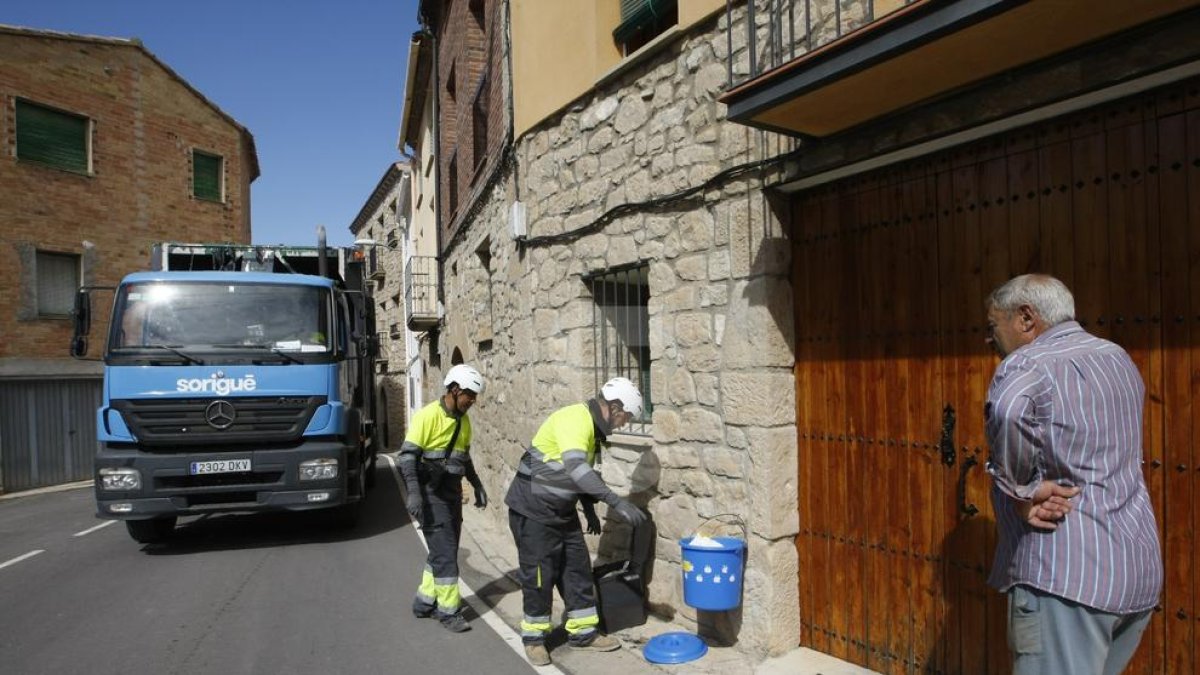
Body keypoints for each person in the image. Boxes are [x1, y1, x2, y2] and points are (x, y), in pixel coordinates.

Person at [983, 274, 1162, 674]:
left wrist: (1019, 490)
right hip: (1135, 570)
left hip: (1065, 578)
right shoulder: (1116, 357)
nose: (989, 339)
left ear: (1026, 318)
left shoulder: (1026, 363)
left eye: (994, 326)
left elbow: (1009, 411)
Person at [505, 376, 648, 666]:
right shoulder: (575, 418)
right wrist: (615, 502)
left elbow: (577, 478)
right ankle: (534, 639)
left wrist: (590, 510)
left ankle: (583, 633)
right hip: (533, 510)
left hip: (561, 512)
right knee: (539, 576)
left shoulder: (593, 432)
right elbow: (575, 468)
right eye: (626, 417)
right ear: (616, 407)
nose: (624, 424)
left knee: (577, 569)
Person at [396, 364, 489, 633]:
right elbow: (407, 457)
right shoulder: (428, 416)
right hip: (430, 495)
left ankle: (424, 602)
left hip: (452, 495)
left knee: (441, 550)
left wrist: (477, 483)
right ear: (455, 389)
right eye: (470, 395)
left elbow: (464, 457)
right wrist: (414, 493)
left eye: (474, 396)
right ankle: (448, 612)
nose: (473, 401)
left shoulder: (464, 421)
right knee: (446, 554)